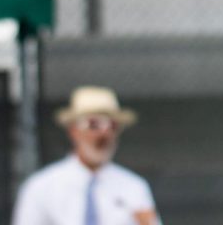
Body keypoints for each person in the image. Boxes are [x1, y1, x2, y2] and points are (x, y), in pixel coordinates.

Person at [12, 86, 158, 225]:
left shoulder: (133, 187)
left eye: (112, 126)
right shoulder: (42, 187)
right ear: (73, 130)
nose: (104, 134)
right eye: (93, 124)